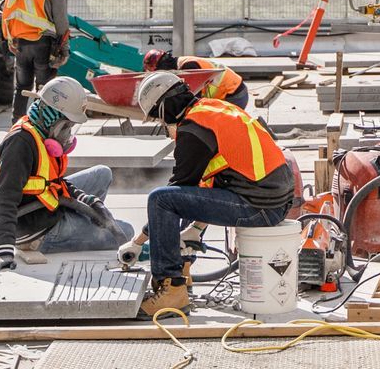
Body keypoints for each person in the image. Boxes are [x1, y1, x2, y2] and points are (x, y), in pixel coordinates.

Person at [120, 71, 298, 317]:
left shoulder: (194, 129)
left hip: (258, 208)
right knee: (176, 199)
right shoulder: (213, 109)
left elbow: (175, 191)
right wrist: (196, 229)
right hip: (272, 202)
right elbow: (203, 185)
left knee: (160, 199)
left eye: (159, 119)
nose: (163, 125)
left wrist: (138, 242)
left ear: (165, 108)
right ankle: (182, 272)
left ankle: (171, 289)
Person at [0, 77, 135, 271]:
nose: (68, 133)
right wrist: (3, 251)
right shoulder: (20, 144)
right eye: (67, 126)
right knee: (127, 231)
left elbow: (53, 182)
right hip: (37, 230)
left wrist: (88, 201)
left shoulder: (40, 131)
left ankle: (85, 220)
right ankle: (82, 226)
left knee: (102, 174)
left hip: (46, 205)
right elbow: (3, 200)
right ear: (54, 118)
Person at [2, 0, 72, 119]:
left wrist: (9, 38)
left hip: (21, 45)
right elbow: (61, 22)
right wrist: (64, 50)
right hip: (43, 45)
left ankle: (16, 127)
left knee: (21, 88)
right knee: (44, 90)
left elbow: (7, 11)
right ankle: (39, 127)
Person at [143, 48, 251, 109]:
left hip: (234, 95)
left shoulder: (189, 67)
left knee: (219, 128)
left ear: (162, 67)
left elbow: (193, 99)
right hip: (234, 92)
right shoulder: (182, 64)